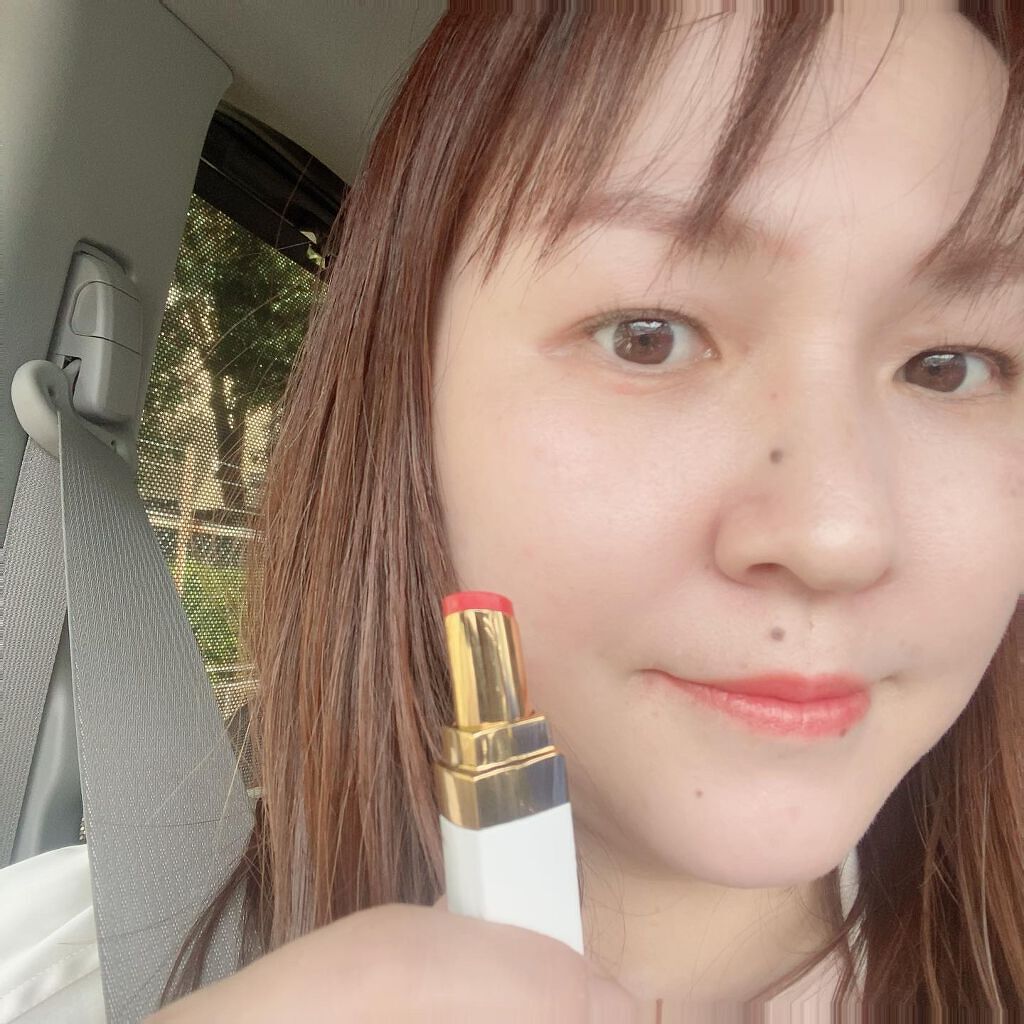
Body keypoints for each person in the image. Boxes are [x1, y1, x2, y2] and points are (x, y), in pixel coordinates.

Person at [7, 4, 1022, 1022]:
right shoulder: (53, 971)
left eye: (951, 366)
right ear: (410, 399)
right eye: (648, 336)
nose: (836, 536)